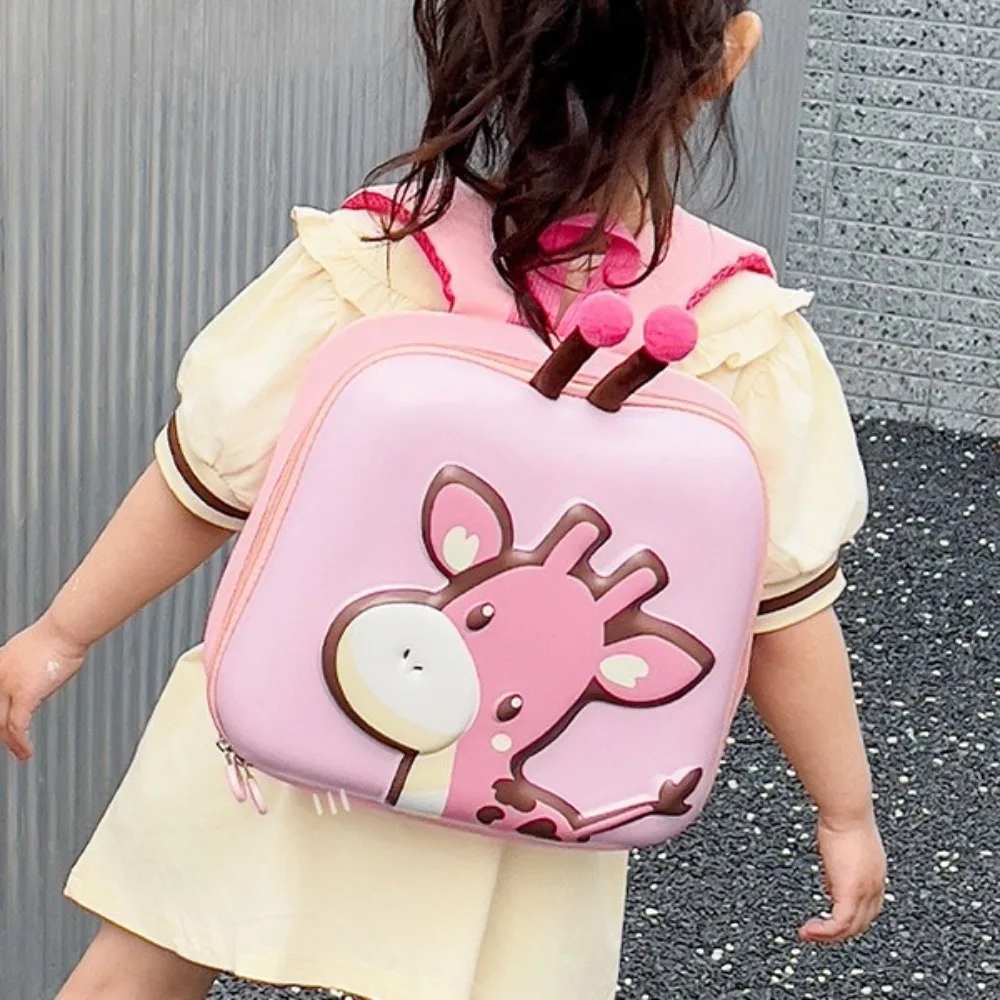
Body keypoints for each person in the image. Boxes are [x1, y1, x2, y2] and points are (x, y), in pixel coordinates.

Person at [0, 2, 887, 999]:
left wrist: (62, 633)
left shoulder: (374, 263)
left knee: (140, 966)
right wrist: (843, 810)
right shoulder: (736, 333)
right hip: (526, 795)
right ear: (731, 56)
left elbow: (206, 481)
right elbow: (782, 608)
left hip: (291, 702)